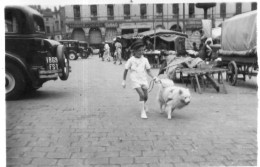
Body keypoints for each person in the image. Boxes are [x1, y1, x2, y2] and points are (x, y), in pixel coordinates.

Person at [122, 39, 159, 119]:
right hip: (135, 79)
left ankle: (144, 104)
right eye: (139, 50)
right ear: (134, 51)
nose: (141, 52)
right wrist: (124, 81)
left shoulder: (145, 60)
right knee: (141, 95)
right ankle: (142, 112)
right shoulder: (131, 60)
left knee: (146, 97)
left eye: (142, 50)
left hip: (143, 79)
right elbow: (125, 70)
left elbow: (148, 70)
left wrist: (154, 77)